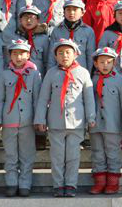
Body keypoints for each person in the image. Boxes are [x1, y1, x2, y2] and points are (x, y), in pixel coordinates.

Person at [35, 38, 95, 198]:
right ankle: (58, 184)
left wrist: (91, 117)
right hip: (56, 122)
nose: (64, 56)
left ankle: (70, 184)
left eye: (68, 52)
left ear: (75, 54)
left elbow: (89, 98)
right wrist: (40, 119)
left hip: (76, 122)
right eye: (60, 53)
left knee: (73, 156)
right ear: (55, 56)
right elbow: (43, 98)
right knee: (57, 157)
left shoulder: (83, 73)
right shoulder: (51, 73)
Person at [0, 38, 42, 198]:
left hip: (27, 122)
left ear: (28, 55)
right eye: (15, 54)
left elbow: (37, 99)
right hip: (9, 120)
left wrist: (38, 119)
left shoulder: (34, 74)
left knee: (27, 155)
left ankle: (25, 183)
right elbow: (0, 99)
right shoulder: (4, 74)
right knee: (10, 155)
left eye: (22, 53)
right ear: (10, 56)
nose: (18, 57)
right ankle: (11, 182)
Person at [88, 46, 122, 195]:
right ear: (95, 64)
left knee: (113, 153)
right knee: (97, 152)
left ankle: (113, 182)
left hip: (113, 124)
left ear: (114, 63)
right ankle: (99, 182)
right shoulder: (92, 80)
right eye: (101, 62)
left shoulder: (120, 80)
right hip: (95, 124)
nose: (105, 65)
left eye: (109, 62)